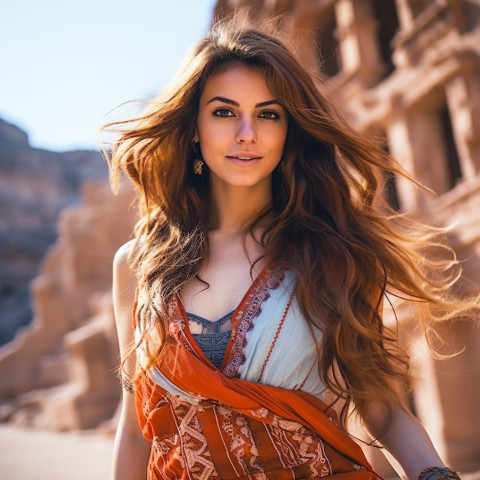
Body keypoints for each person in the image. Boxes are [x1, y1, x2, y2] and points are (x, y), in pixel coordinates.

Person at [105, 21, 473, 480]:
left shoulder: (330, 254)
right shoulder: (138, 266)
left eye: (268, 114)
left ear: (289, 131)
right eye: (224, 112)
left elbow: (382, 411)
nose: (246, 133)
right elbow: (137, 427)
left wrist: (435, 474)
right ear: (194, 128)